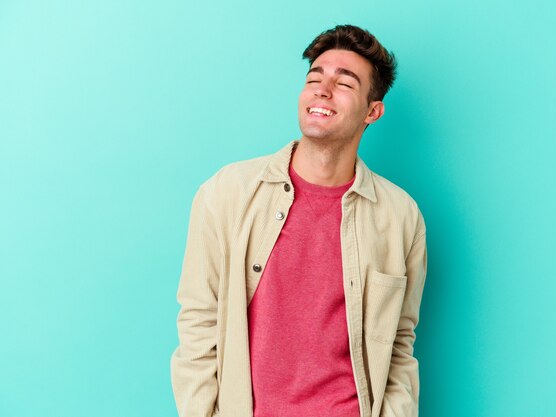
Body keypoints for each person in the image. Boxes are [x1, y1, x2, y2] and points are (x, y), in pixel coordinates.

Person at [171, 24, 428, 417]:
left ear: (372, 111)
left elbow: (398, 343)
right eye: (314, 78)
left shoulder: (400, 217)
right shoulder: (226, 194)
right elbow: (199, 325)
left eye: (344, 83)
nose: (322, 90)